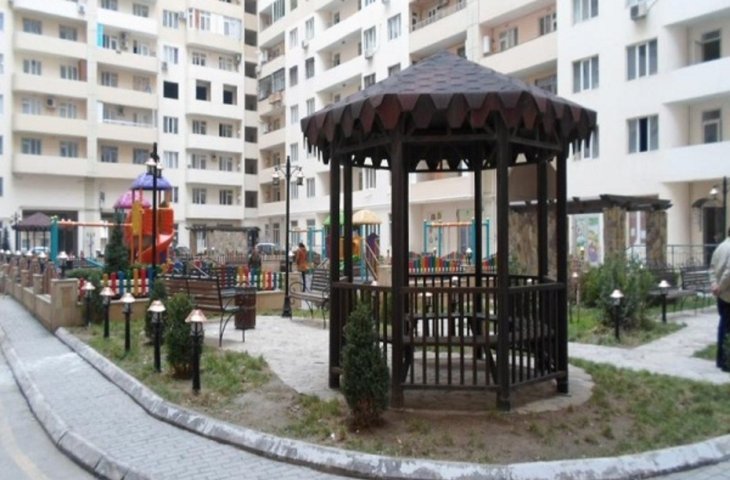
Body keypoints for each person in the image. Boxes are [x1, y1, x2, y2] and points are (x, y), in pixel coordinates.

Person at [710, 228, 730, 372]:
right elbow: (729, 273)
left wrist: (714, 285)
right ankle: (725, 361)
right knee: (726, 328)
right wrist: (721, 287)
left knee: (723, 324)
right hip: (727, 293)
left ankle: (720, 359)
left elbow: (711, 269)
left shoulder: (720, 247)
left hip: (721, 295)